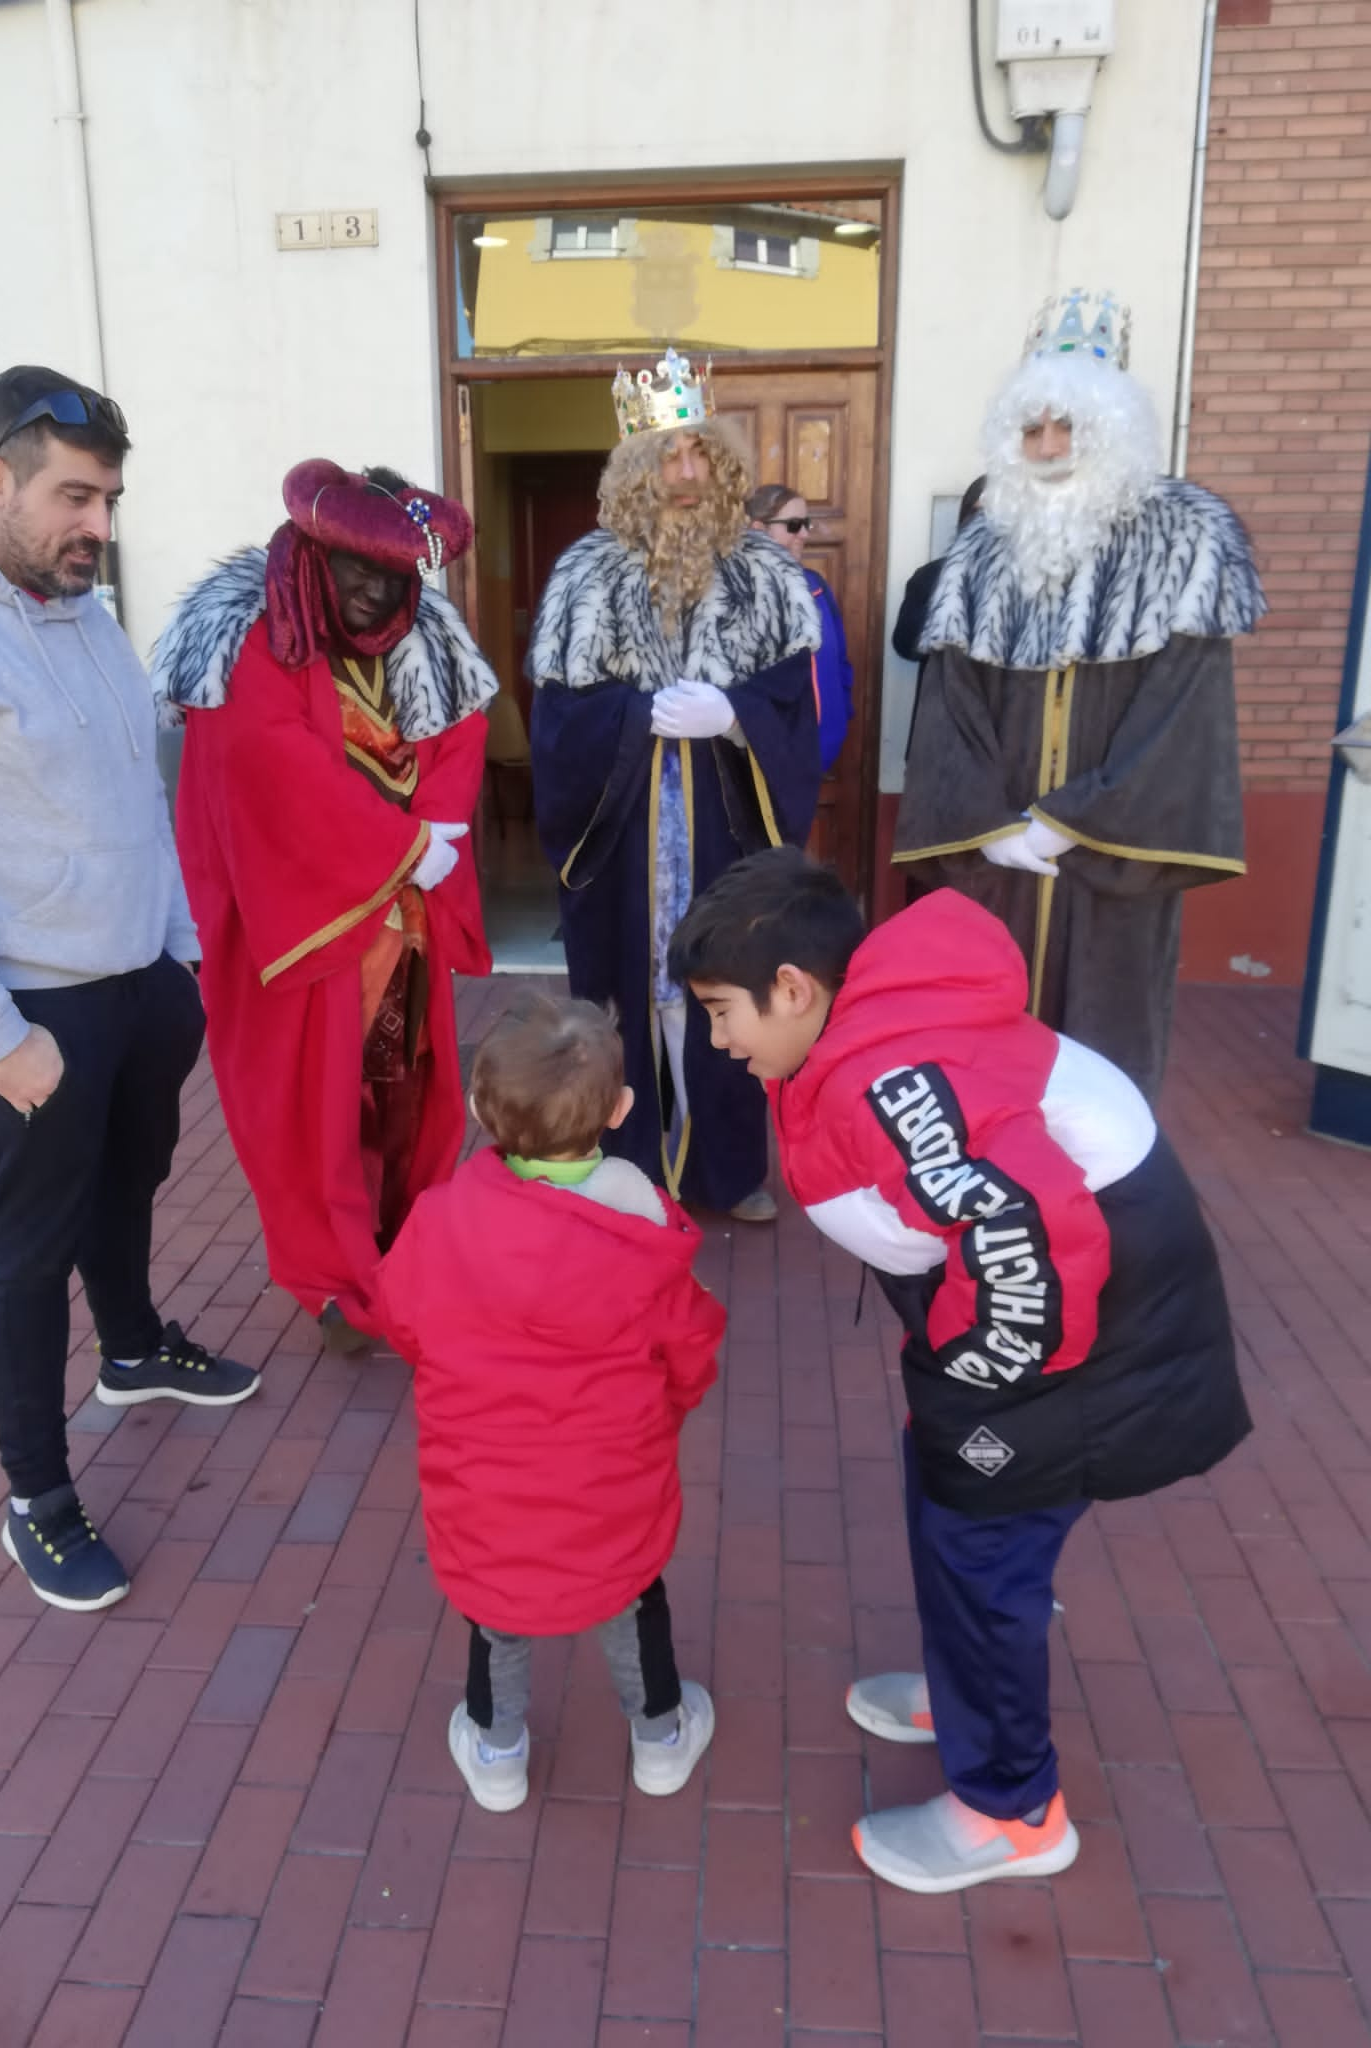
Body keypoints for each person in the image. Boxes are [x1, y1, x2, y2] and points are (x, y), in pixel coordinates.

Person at [669, 847, 1250, 1893]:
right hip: (1038, 1309)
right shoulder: (857, 1034)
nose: (718, 1039)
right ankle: (960, 1688)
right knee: (947, 1494)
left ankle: (1014, 1808)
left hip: (1072, 1320)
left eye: (722, 1012)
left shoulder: (888, 1076)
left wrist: (980, 1378)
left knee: (986, 1550)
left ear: (794, 989)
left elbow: (1024, 1223)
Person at [0, 365, 258, 1615]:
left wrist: (178, 953)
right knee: (26, 1247)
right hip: (28, 1010)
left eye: (112, 498)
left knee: (129, 1182)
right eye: (77, 497)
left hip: (139, 985)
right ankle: (39, 1496)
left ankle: (131, 1349)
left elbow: (139, 785)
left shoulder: (81, 606)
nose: (101, 527)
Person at [151, 462, 496, 1354]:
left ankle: (402, 1241)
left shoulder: (429, 633)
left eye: (397, 574)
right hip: (305, 916)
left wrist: (439, 830)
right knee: (315, 1103)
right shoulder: (247, 638)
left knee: (402, 1087)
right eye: (359, 568)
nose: (379, 590)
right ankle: (333, 1275)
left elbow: (457, 733)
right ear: (314, 550)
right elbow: (266, 768)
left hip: (404, 917)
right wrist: (404, 850)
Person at [893, 290, 1265, 1101]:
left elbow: (1183, 713)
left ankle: (1105, 1211)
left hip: (1110, 866)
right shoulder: (980, 559)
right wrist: (990, 827)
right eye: (1033, 429)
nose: (1051, 446)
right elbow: (950, 708)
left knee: (1103, 1055)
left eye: (1070, 427)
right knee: (988, 1047)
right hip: (999, 863)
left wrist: (1074, 823)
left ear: (1112, 430)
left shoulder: (1185, 543)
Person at [376, 995, 725, 1812]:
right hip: (612, 1477)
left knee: (496, 1608)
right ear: (621, 1110)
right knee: (631, 1593)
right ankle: (662, 1738)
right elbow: (692, 1348)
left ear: (477, 1108)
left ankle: (497, 1755)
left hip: (484, 1482)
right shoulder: (643, 1223)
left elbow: (402, 1319)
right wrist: (667, 1410)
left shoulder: (440, 1222)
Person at [528, 350, 822, 1221]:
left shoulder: (766, 577)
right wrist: (631, 718)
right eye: (667, 458)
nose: (686, 475)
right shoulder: (585, 574)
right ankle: (631, 1161)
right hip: (626, 841)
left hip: (724, 835)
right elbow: (557, 720)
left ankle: (728, 1171)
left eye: (700, 455)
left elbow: (792, 715)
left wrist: (733, 717)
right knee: (634, 999)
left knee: (727, 992)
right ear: (634, 472)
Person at [746, 482, 853, 773]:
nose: (804, 534)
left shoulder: (816, 587)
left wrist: (840, 713)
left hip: (820, 752)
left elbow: (840, 660)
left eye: (806, 523)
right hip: (765, 759)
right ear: (758, 529)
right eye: (793, 525)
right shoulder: (737, 595)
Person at [890, 476, 986, 669]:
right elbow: (905, 647)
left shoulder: (1033, 584)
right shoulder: (930, 576)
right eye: (978, 514)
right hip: (945, 697)